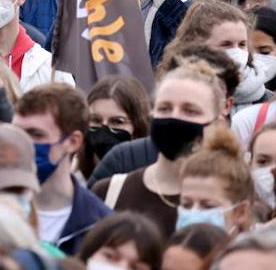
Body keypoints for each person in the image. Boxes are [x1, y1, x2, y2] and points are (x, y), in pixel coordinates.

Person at [92, 61, 228, 236]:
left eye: (190, 111)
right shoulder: (109, 191)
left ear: (217, 124)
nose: (174, 117)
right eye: (164, 108)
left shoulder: (232, 197)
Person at [14, 84, 112, 254]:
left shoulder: (102, 227)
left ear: (73, 142)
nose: (21, 142)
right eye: (16, 133)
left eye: (36, 134)